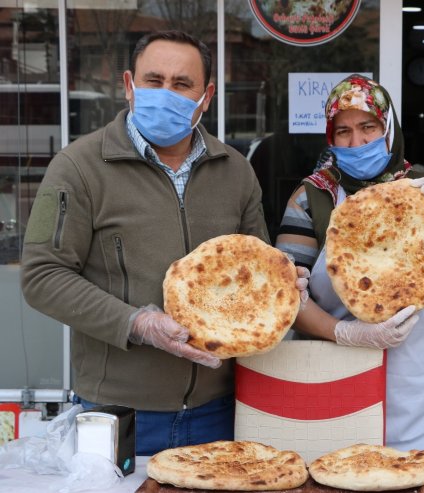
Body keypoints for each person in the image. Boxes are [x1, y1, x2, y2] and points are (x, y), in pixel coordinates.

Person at [20, 30, 308, 456]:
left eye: (181, 84)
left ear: (205, 96)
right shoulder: (77, 167)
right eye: (154, 80)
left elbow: (257, 268)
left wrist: (282, 286)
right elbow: (42, 276)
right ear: (129, 86)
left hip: (221, 411)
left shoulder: (235, 171)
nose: (165, 92)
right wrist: (138, 324)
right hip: (119, 412)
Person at [275, 74, 424, 466]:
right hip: (339, 384)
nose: (356, 142)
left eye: (368, 127)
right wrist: (347, 332)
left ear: (388, 128)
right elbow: (286, 297)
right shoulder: (311, 198)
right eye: (343, 131)